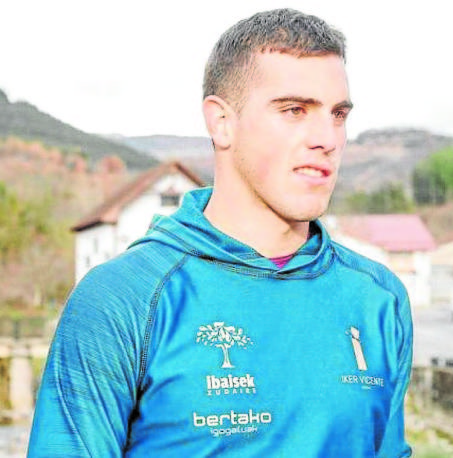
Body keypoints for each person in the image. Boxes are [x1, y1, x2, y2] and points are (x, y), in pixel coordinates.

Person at [28, 8, 412, 457]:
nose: (326, 137)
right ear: (221, 122)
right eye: (294, 110)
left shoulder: (378, 298)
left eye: (338, 114)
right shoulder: (121, 298)